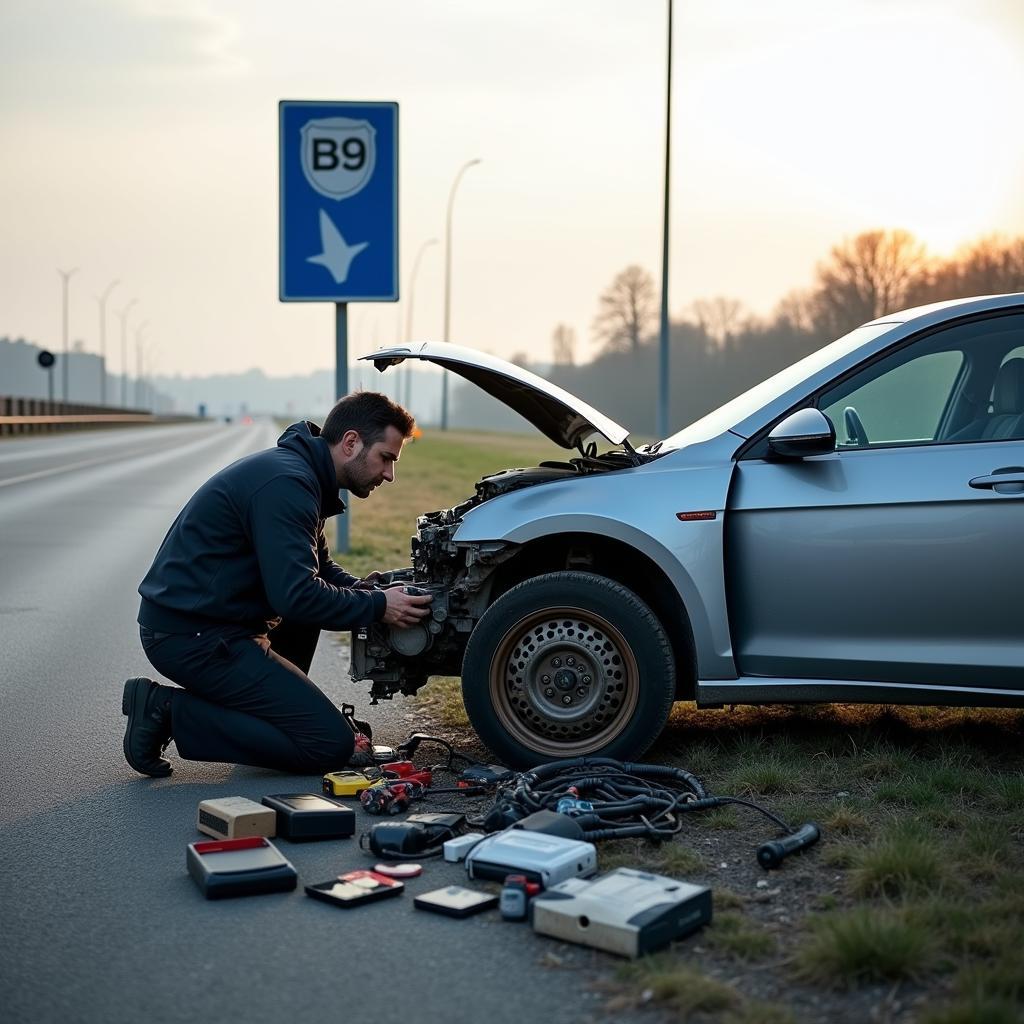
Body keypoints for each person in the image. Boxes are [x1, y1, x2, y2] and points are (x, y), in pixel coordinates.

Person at [121, 391, 432, 778]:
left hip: (213, 624)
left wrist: (368, 592)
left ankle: (262, 713)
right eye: (386, 458)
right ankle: (165, 710)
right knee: (327, 744)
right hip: (192, 637)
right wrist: (379, 607)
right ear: (351, 442)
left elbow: (317, 568)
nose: (389, 474)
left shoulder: (302, 476)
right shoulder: (287, 484)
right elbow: (296, 596)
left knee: (311, 610)